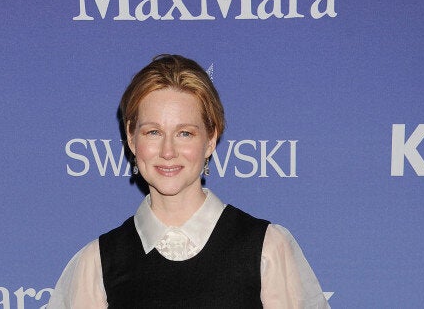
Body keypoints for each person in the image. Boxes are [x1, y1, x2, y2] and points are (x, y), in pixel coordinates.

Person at [48, 54, 330, 308]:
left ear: (210, 139)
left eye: (185, 133)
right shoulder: (97, 262)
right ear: (131, 137)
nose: (168, 151)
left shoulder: (267, 248)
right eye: (153, 132)